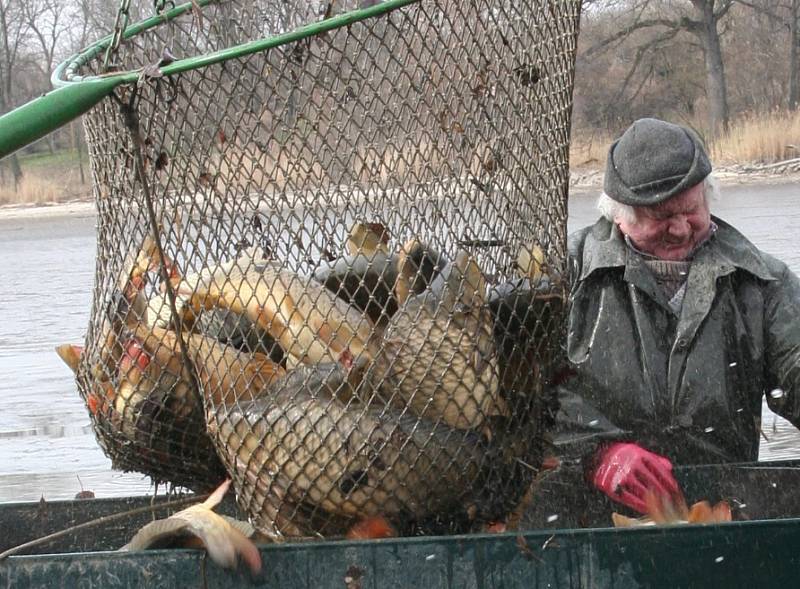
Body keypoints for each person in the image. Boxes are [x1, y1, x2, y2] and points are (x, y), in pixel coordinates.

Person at [544, 117, 800, 520]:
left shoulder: (764, 283)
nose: (680, 229)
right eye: (660, 216)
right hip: (585, 526)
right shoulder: (564, 279)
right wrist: (595, 454)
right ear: (619, 216)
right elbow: (521, 403)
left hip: (718, 516)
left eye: (692, 209)